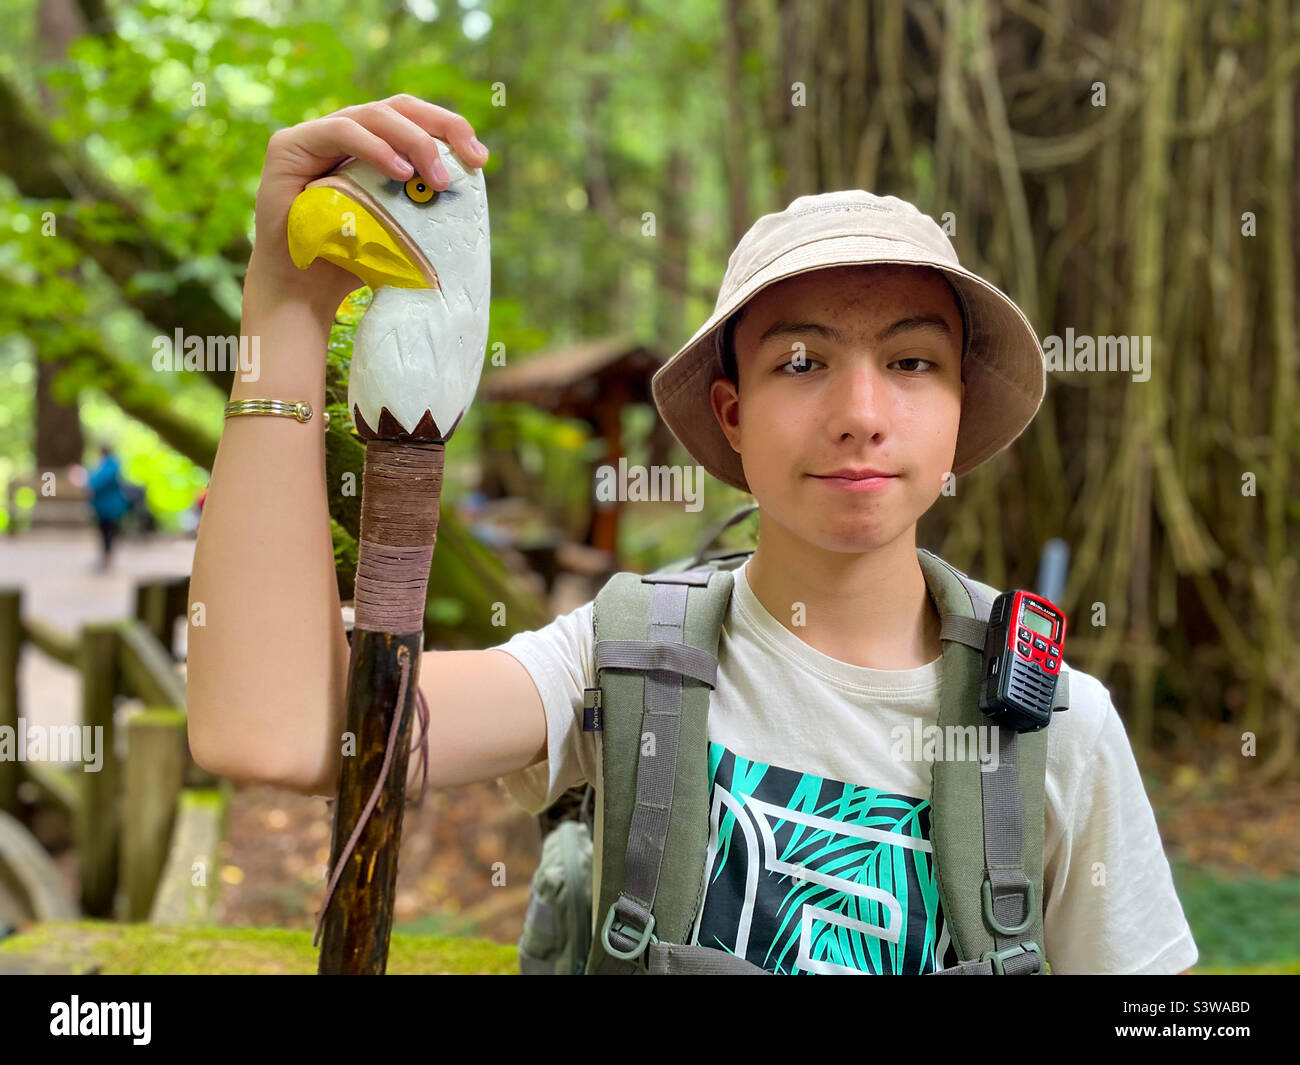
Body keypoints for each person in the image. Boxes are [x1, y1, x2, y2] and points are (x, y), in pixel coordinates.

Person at [185, 97, 1196, 975]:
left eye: (912, 363)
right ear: (729, 415)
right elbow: (270, 727)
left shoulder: (1054, 722)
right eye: (801, 362)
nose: (860, 412)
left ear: (957, 413)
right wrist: (283, 310)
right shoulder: (622, 662)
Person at [86, 444, 130, 571]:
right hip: (104, 507)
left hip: (109, 507)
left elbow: (96, 482)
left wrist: (86, 480)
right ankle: (106, 557)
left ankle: (107, 557)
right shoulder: (104, 464)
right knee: (105, 533)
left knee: (108, 532)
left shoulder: (109, 465)